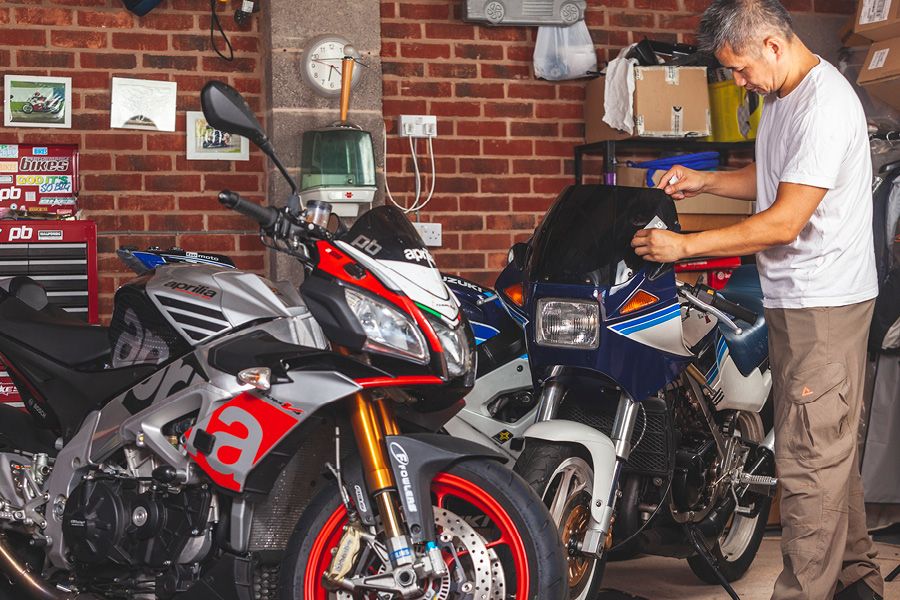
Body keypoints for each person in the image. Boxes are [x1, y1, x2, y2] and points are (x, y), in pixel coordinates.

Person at [630, 1, 884, 599]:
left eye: (740, 69)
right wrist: (707, 180)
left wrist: (683, 247)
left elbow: (784, 220)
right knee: (827, 448)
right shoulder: (781, 98)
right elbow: (773, 180)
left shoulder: (824, 105)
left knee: (807, 464)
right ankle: (860, 583)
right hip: (796, 300)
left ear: (772, 44)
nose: (738, 82)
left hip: (826, 304)